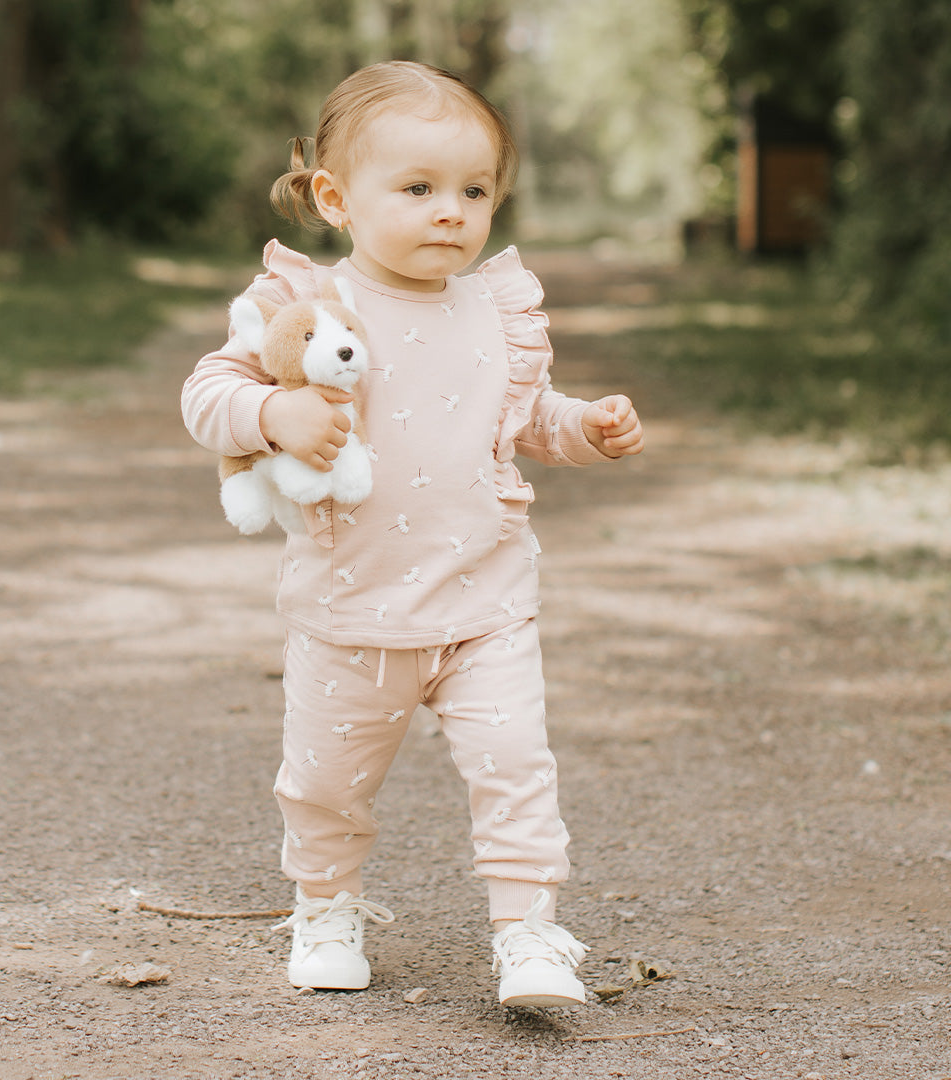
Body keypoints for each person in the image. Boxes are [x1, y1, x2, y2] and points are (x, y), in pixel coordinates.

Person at [181, 60, 645, 1008]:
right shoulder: (307, 307)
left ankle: (529, 931)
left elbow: (521, 417)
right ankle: (326, 907)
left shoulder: (493, 310)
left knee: (517, 770)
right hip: (350, 612)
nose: (451, 213)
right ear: (336, 198)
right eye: (419, 188)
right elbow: (206, 394)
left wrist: (584, 427)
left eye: (474, 191)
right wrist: (272, 416)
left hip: (487, 604)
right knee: (326, 784)